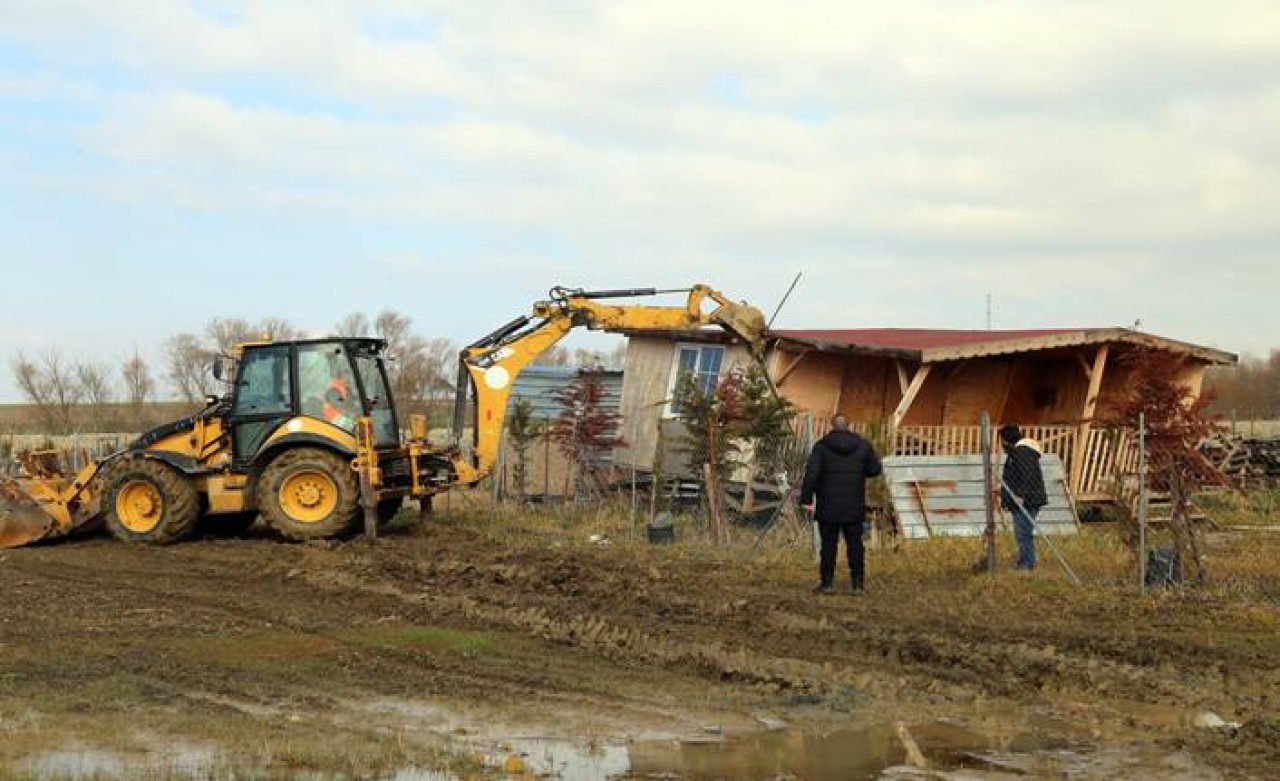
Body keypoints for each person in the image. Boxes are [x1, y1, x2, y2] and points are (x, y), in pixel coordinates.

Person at [800, 414, 882, 594]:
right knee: (855, 545)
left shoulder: (821, 447)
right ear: (849, 425)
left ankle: (827, 584)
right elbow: (875, 470)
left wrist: (806, 499)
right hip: (854, 504)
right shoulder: (863, 446)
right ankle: (858, 585)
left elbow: (811, 475)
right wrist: (859, 471)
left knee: (828, 545)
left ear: (832, 426)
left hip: (828, 505)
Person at [999, 424, 1047, 570]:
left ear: (1007, 439)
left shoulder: (1022, 452)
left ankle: (1027, 564)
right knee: (1023, 532)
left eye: (1002, 439)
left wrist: (1020, 494)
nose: (1001, 443)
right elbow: (1015, 475)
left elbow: (1028, 475)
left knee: (1023, 533)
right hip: (1025, 499)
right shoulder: (1017, 452)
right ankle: (1026, 561)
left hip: (1027, 500)